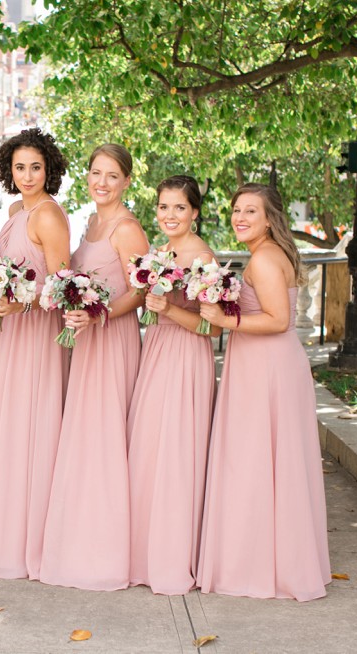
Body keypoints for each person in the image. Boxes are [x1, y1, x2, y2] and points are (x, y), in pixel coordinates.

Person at [197, 183, 331, 601]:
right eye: (237, 210)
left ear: (270, 218)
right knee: (271, 462)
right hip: (268, 364)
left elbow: (277, 320)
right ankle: (275, 561)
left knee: (255, 461)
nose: (239, 217)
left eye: (250, 212)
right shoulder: (268, 255)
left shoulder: (267, 260)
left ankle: (255, 566)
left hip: (266, 367)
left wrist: (224, 317)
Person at [38, 143, 149, 591]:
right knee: (84, 436)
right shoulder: (90, 223)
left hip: (113, 340)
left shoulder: (127, 228)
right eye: (95, 173)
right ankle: (78, 538)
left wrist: (99, 313)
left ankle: (105, 549)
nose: (101, 183)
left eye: (112, 176)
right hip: (86, 342)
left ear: (126, 182)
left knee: (105, 438)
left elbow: (141, 290)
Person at [0, 128, 71, 581]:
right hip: (13, 332)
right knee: (9, 426)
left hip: (39, 334)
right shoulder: (13, 210)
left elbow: (65, 285)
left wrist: (23, 298)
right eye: (19, 167)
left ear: (50, 170)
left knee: (34, 425)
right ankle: (7, 529)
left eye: (36, 167)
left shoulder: (48, 215)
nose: (27, 175)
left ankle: (35, 536)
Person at [127, 175, 218, 595]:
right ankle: (143, 554)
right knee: (147, 447)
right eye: (164, 207)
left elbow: (211, 328)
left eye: (179, 208)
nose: (169, 215)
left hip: (185, 355)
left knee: (176, 450)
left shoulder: (203, 257)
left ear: (194, 212)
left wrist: (166, 310)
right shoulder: (159, 252)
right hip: (158, 350)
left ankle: (172, 556)